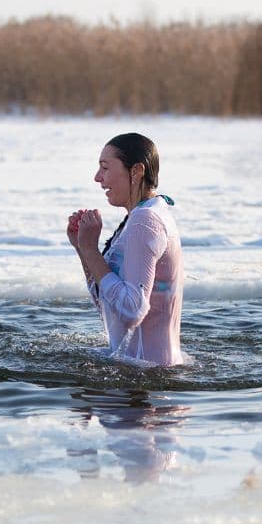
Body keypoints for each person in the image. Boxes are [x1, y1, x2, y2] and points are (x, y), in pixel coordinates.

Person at [67, 133, 184, 366]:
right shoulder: (142, 216)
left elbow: (131, 311)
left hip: (147, 380)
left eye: (105, 168)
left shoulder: (145, 220)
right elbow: (109, 305)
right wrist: (83, 248)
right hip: (144, 370)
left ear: (136, 171)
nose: (97, 177)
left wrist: (91, 250)